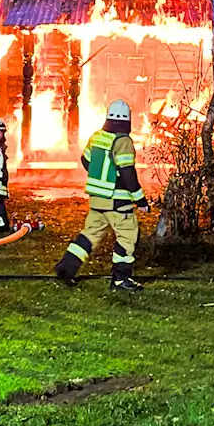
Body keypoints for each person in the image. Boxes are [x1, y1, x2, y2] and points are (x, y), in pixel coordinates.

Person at [54, 98, 149, 292]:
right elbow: (127, 171)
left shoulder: (98, 137)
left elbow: (85, 159)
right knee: (127, 237)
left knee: (90, 235)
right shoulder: (123, 141)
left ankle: (66, 268)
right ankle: (121, 280)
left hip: (98, 199)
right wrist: (140, 199)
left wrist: (102, 179)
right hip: (118, 202)